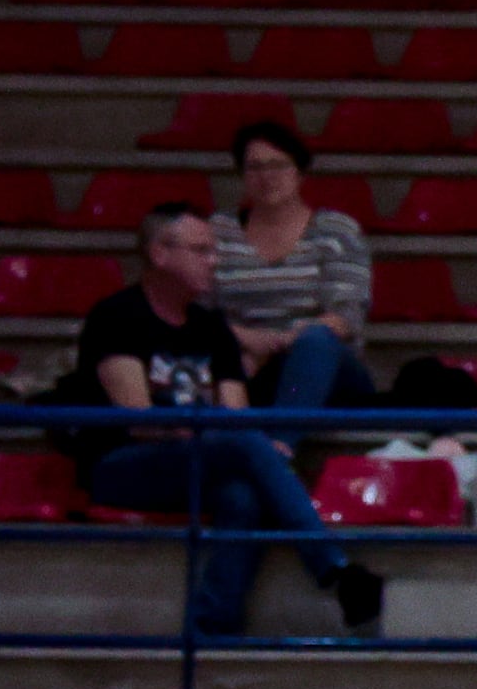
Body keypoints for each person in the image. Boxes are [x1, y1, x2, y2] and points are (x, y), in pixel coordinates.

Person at [60, 204, 379, 640]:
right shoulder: (118, 316)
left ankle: (213, 627)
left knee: (243, 495)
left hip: (197, 457)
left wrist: (216, 429)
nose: (214, 261)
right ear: (159, 254)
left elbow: (236, 412)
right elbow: (138, 420)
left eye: (213, 251)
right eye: (200, 251)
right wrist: (215, 429)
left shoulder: (211, 328)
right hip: (122, 463)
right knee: (247, 447)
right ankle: (334, 569)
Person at [212, 120, 383, 413]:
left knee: (316, 343)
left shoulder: (336, 231)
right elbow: (198, 313)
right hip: (245, 364)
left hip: (325, 367)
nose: (266, 177)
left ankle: (281, 442)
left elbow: (344, 318)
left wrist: (280, 344)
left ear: (299, 172)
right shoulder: (218, 232)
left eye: (278, 165)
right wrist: (246, 339)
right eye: (255, 167)